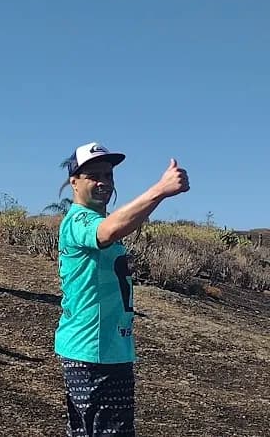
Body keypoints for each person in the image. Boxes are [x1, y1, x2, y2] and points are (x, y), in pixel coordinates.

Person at [55, 142, 190, 437]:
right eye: (94, 176)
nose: (104, 182)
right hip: (92, 352)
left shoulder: (98, 220)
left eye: (108, 175)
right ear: (74, 182)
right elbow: (108, 231)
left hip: (110, 349)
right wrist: (159, 190)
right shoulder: (78, 220)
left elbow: (118, 224)